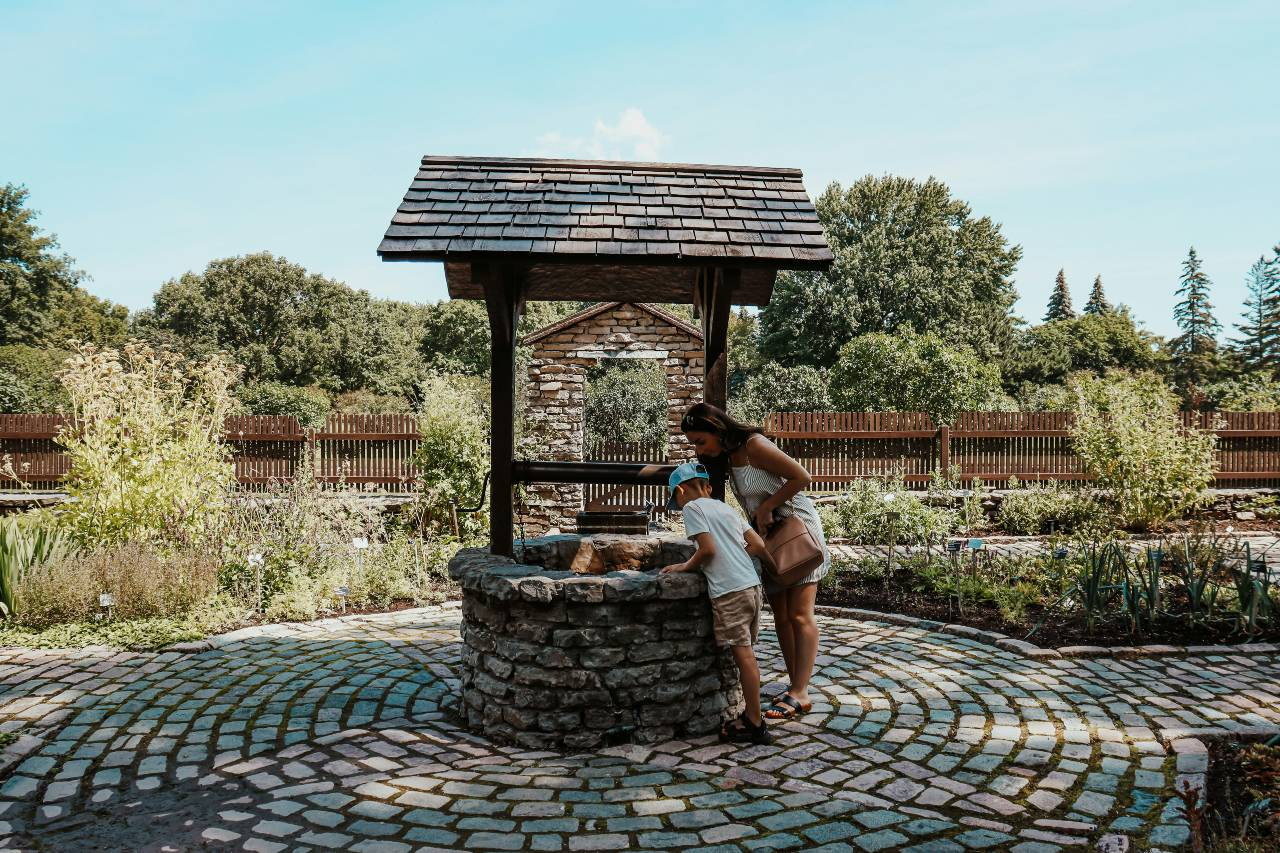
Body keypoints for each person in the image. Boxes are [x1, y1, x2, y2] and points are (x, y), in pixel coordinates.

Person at [680, 402, 829, 722]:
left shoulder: (754, 445)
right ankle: (795, 686)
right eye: (694, 444)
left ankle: (801, 692)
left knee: (800, 614)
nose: (698, 450)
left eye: (700, 441)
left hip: (797, 534)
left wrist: (767, 507)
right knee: (782, 617)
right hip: (769, 539)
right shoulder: (727, 457)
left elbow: (801, 477)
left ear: (717, 429)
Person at [660, 461, 776, 744]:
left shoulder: (692, 508)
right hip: (750, 585)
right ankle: (753, 716)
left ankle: (755, 723)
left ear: (680, 491)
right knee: (748, 655)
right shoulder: (726, 509)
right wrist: (742, 559)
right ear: (709, 488)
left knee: (744, 657)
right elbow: (758, 546)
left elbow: (708, 550)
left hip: (730, 591)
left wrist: (685, 566)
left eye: (676, 499)